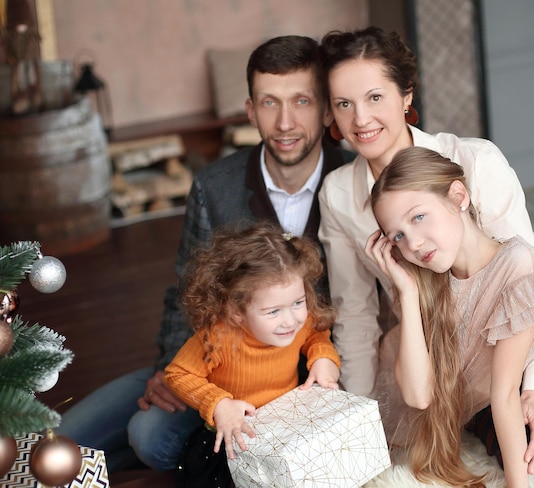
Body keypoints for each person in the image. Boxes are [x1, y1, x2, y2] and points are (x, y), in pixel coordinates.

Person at [56, 34, 353, 472]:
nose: (286, 122)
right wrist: (167, 373)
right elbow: (185, 292)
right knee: (64, 436)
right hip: (213, 361)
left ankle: (204, 459)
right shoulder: (214, 187)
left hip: (299, 373)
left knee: (150, 436)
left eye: (302, 101)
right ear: (250, 111)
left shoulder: (352, 178)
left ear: (327, 109)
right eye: (270, 103)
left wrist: (327, 367)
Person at [317, 26, 534, 473]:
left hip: (526, 325)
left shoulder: (473, 160)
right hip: (438, 349)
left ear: (406, 95)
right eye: (343, 104)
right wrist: (364, 416)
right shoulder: (337, 194)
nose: (360, 120)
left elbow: (533, 275)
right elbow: (355, 313)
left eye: (374, 97)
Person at [365, 146, 534, 486]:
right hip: (456, 385)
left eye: (418, 217)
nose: (412, 243)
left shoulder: (515, 264)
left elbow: (503, 394)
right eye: (397, 235)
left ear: (458, 196)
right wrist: (407, 292)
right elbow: (417, 397)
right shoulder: (423, 280)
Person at [164, 221, 340, 486]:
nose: (290, 320)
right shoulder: (219, 337)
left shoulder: (301, 324)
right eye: (273, 311)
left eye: (298, 303)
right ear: (237, 311)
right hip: (235, 442)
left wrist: (323, 357)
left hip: (287, 430)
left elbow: (317, 333)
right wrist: (219, 403)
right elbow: (177, 374)